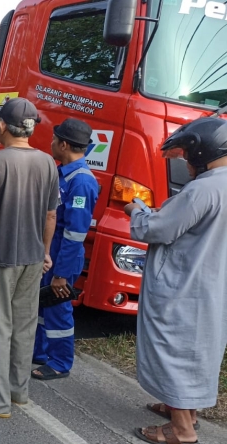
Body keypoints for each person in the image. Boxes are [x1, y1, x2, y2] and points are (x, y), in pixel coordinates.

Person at [126, 117, 227, 444]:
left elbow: (157, 229)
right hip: (213, 283)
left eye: (186, 156)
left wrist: (137, 209)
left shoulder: (202, 189)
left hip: (184, 284)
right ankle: (186, 411)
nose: (185, 162)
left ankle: (182, 430)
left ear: (202, 152)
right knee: (198, 350)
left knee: (174, 348)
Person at [0, 98, 59, 418]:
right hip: (32, 258)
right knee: (24, 326)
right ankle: (18, 391)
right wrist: (45, 251)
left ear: (2, 126)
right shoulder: (47, 163)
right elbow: (50, 216)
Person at [32, 118, 99, 381]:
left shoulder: (81, 181)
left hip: (63, 257)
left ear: (63, 144)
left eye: (53, 139)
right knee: (42, 306)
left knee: (58, 310)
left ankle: (60, 362)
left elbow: (75, 234)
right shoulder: (64, 173)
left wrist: (61, 272)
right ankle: (40, 352)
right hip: (52, 253)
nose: (50, 143)